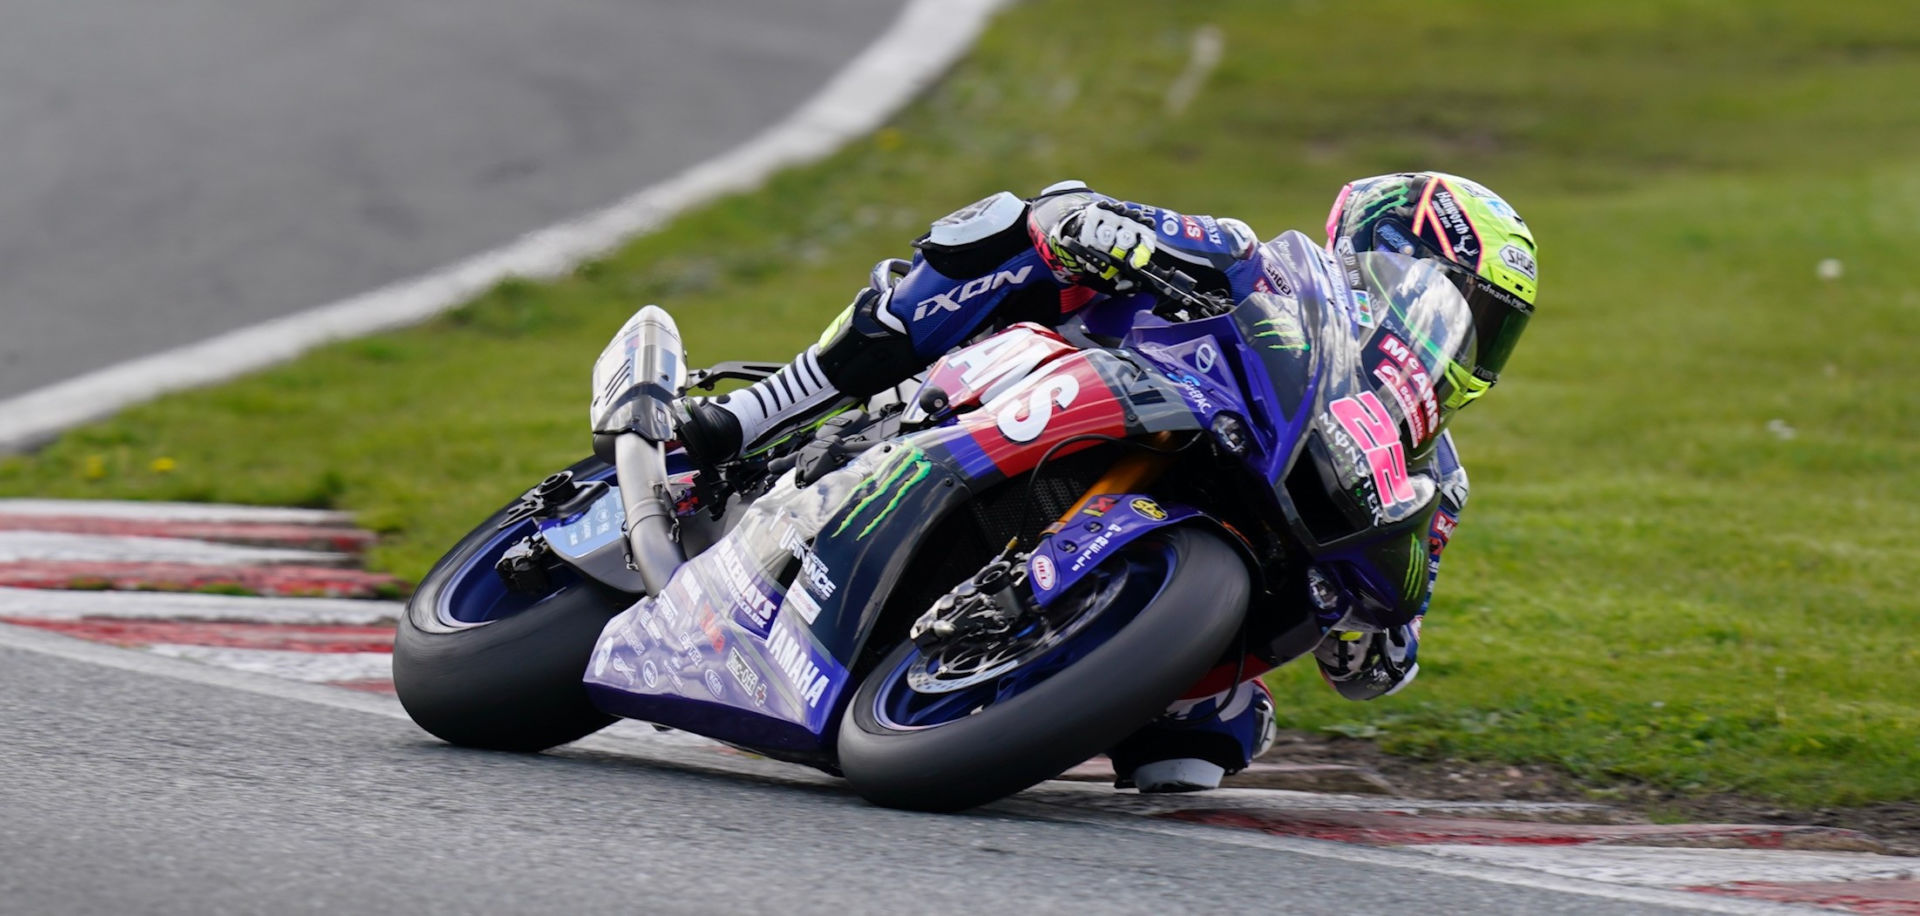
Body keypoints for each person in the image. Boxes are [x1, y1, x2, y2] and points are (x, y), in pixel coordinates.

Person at [674, 173, 1539, 791]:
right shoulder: (1263, 265)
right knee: (1003, 236)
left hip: (1202, 538)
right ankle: (759, 411)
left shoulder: (1433, 477)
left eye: (1492, 329)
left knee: (1216, 738)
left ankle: (1002, 689)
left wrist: (1379, 634)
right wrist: (1102, 228)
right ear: (1383, 253)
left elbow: (1377, 661)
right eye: (1466, 304)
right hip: (1071, 395)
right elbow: (1075, 211)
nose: (1470, 341)